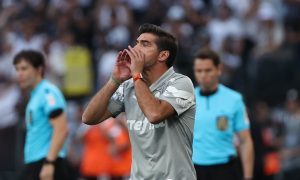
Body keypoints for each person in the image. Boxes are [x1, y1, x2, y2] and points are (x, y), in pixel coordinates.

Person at [82, 23, 196, 180]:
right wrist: (114, 80)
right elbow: (89, 118)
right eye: (137, 42)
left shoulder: (181, 83)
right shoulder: (129, 86)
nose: (135, 48)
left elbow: (154, 114)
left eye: (145, 44)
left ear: (162, 55)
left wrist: (136, 75)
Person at [192, 49, 254, 180]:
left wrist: (248, 176)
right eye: (199, 71)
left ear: (218, 69)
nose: (203, 75)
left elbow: (245, 140)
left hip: (225, 169)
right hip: (194, 169)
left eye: (208, 70)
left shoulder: (234, 99)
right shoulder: (187, 99)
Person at [13, 50, 69, 180]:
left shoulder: (47, 92)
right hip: (36, 163)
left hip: (47, 163)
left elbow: (61, 129)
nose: (19, 74)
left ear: (39, 69)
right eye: (17, 69)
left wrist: (49, 163)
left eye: (24, 68)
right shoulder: (35, 95)